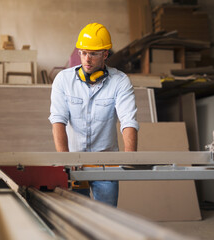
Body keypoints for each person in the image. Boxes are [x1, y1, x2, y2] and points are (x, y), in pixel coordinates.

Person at [48, 23, 139, 207]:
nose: (87, 59)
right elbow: (58, 120)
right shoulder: (63, 80)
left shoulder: (120, 82)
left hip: (106, 164)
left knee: (106, 219)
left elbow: (128, 120)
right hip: (75, 164)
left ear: (105, 54)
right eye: (83, 52)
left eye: (93, 54)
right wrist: (66, 161)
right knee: (75, 218)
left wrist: (130, 159)